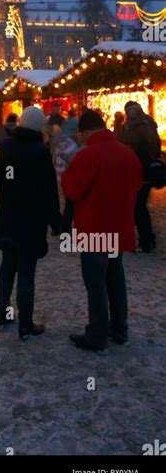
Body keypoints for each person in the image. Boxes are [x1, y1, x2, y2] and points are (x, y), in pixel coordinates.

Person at [61, 109, 143, 353]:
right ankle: (120, 330)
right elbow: (138, 184)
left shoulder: (88, 156)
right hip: (119, 228)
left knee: (96, 284)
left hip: (95, 229)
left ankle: (97, 335)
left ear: (86, 131)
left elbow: (72, 190)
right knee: (116, 280)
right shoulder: (127, 153)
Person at [0, 106, 61, 341]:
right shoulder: (40, 152)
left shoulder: (5, 147)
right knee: (26, 272)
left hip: (8, 215)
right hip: (31, 220)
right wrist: (56, 222)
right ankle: (25, 324)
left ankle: (2, 315)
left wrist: (7, 200)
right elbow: (49, 192)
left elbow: (0, 183)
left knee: (7, 266)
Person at [119, 101, 161, 253]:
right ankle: (145, 238)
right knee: (138, 205)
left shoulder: (135, 128)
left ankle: (145, 240)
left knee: (138, 206)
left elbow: (129, 147)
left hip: (139, 171)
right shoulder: (149, 124)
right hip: (145, 170)